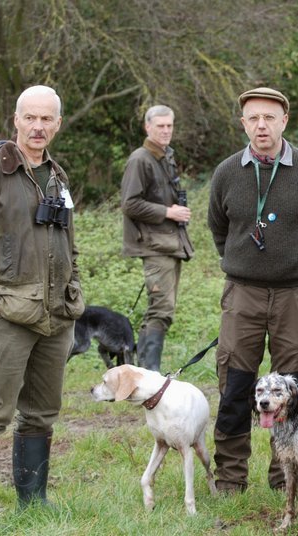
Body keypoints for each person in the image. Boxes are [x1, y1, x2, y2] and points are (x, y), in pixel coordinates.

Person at [0, 85, 84, 524]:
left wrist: (73, 288)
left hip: (56, 317)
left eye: (47, 119)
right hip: (6, 316)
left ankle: (33, 502)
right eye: (31, 118)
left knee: (41, 414)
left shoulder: (57, 177)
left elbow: (69, 246)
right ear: (16, 120)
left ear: (58, 124)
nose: (38, 127)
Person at [207, 87, 298, 493]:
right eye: (253, 118)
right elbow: (219, 228)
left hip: (294, 294)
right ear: (243, 123)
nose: (261, 126)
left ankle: (285, 476)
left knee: (291, 387)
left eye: (269, 118)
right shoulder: (227, 172)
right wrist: (244, 261)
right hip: (242, 292)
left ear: (284, 121)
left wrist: (292, 260)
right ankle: (230, 478)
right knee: (235, 383)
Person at [121, 105, 194, 371]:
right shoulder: (140, 159)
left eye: (169, 126)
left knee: (164, 310)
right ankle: (148, 374)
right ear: (147, 127)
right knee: (160, 311)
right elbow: (129, 204)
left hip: (169, 244)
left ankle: (144, 373)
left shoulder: (164, 156)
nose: (165, 131)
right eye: (160, 126)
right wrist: (167, 212)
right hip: (154, 245)